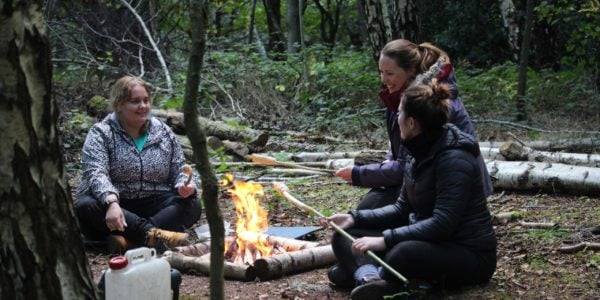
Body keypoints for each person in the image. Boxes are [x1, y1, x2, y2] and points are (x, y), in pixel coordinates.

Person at [322, 81, 497, 299]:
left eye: (400, 113)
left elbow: (442, 224)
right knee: (345, 235)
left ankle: (366, 271)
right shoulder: (417, 151)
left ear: (411, 122)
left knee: (402, 253)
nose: (396, 118)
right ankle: (370, 278)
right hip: (429, 240)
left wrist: (385, 240)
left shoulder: (454, 159)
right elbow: (401, 209)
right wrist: (354, 218)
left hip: (468, 253)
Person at [334, 39, 492, 211]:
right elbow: (403, 149)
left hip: (453, 191)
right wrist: (388, 159)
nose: (384, 79)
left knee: (369, 215)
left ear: (410, 70)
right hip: (424, 180)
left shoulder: (431, 105)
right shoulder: (400, 97)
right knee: (367, 209)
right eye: (381, 72)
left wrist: (358, 174)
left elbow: (407, 166)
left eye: (390, 73)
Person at [75, 75, 201, 254]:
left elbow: (180, 168)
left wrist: (185, 184)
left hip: (155, 202)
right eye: (135, 101)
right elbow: (96, 173)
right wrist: (111, 202)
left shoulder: (163, 132)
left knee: (192, 204)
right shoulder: (101, 133)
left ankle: (131, 241)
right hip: (118, 204)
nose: (143, 106)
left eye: (146, 101)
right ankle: (153, 237)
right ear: (119, 104)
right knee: (86, 206)